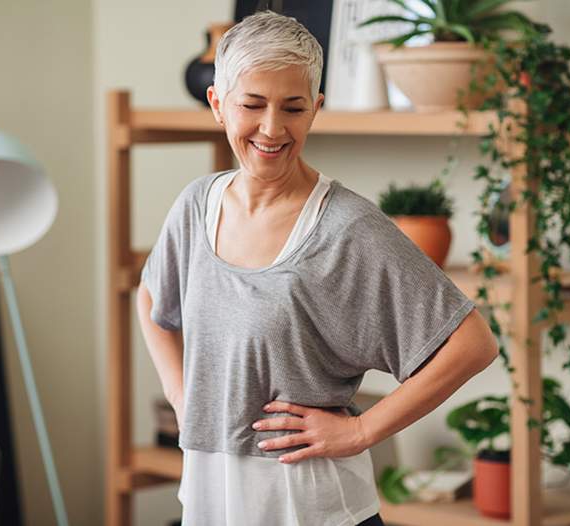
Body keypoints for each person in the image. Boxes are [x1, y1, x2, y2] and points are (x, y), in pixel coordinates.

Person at [136, 10, 499, 526]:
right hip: (212, 501)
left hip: (313, 509)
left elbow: (473, 343)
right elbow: (150, 298)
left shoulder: (348, 228)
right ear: (218, 104)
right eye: (252, 104)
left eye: (293, 107)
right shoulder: (197, 205)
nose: (271, 127)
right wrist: (181, 395)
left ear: (316, 109)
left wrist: (361, 431)